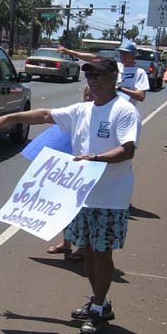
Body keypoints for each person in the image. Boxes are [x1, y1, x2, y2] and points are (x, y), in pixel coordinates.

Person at [0, 57, 141, 334]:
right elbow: (45, 114)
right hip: (81, 195)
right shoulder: (82, 110)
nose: (92, 79)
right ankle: (100, 302)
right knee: (84, 251)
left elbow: (128, 149)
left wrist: (95, 158)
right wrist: (11, 117)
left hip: (110, 197)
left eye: (99, 74)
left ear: (113, 77)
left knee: (101, 253)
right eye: (89, 73)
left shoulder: (124, 110)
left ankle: (97, 308)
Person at [46, 84, 93, 261]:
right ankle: (66, 243)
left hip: (89, 170)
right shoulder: (77, 114)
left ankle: (81, 248)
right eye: (87, 96)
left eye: (92, 96)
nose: (89, 99)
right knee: (66, 207)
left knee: (82, 211)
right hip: (70, 168)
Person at [57, 38, 149, 106]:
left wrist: (119, 89)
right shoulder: (115, 65)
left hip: (125, 111)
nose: (122, 56)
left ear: (133, 56)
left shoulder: (139, 72)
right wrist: (68, 51)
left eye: (126, 53)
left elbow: (141, 96)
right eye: (121, 53)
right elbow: (92, 58)